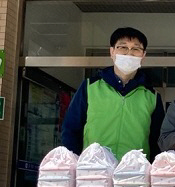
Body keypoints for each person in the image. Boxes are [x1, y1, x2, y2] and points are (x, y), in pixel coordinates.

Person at [62, 27, 165, 161]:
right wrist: (74, 164)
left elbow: (157, 140)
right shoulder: (90, 87)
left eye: (136, 49)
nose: (129, 53)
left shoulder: (152, 96)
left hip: (135, 170)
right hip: (93, 168)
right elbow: (71, 129)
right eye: (123, 47)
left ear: (143, 55)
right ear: (112, 52)